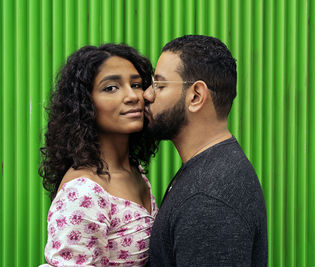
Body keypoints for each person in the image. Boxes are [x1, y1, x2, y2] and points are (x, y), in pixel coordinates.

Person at [143, 35, 268, 266]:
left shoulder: (208, 198)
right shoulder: (213, 169)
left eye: (159, 85)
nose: (147, 95)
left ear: (196, 96)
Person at [39, 44, 159, 266]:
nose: (133, 96)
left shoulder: (135, 171)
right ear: (85, 104)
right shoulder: (83, 191)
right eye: (111, 88)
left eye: (136, 84)